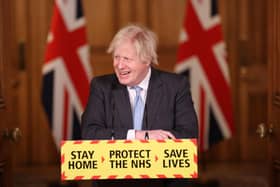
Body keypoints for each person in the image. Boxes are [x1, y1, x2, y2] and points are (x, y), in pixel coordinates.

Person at [81, 24, 198, 187]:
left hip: (163, 182)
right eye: (116, 57)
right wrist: (139, 135)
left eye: (127, 59)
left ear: (147, 59)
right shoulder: (101, 87)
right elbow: (89, 134)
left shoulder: (176, 86)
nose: (119, 65)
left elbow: (188, 135)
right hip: (114, 182)